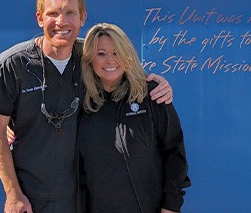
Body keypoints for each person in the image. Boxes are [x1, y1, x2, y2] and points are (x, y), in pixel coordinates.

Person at [0, 0, 173, 213]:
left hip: (86, 199)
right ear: (39, 18)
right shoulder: (12, 65)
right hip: (33, 198)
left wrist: (156, 82)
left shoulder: (90, 56)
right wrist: (13, 194)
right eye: (53, 13)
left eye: (70, 13)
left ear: (83, 18)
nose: (61, 22)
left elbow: (122, 69)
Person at [78, 23, 190, 213]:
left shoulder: (152, 94)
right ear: (90, 59)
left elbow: (174, 152)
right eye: (101, 53)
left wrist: (171, 206)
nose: (110, 61)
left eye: (116, 53)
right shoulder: (81, 101)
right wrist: (9, 126)